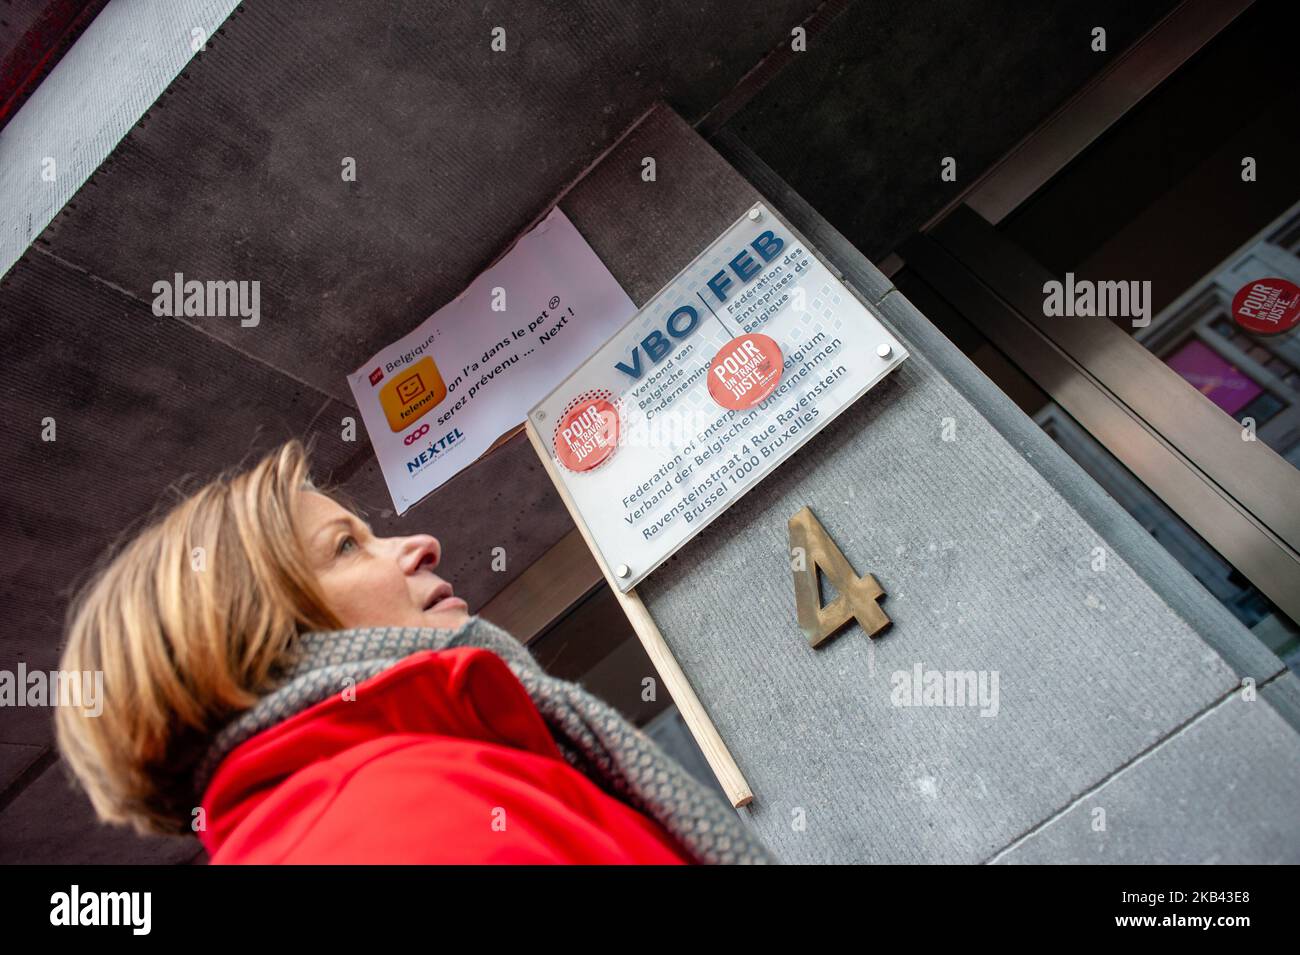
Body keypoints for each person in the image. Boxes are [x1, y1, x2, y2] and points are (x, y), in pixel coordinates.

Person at [55, 440, 773, 864]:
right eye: (346, 546)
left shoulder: (360, 812)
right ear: (255, 638)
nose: (419, 543)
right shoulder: (399, 825)